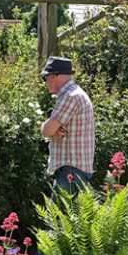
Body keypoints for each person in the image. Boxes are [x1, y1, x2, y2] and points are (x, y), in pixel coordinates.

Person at [40, 56, 95, 195]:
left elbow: (46, 130)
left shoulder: (70, 96)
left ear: (54, 76)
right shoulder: (72, 94)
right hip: (72, 170)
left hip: (71, 171)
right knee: (68, 215)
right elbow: (53, 129)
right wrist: (54, 131)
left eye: (46, 77)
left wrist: (52, 131)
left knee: (58, 216)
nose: (45, 82)